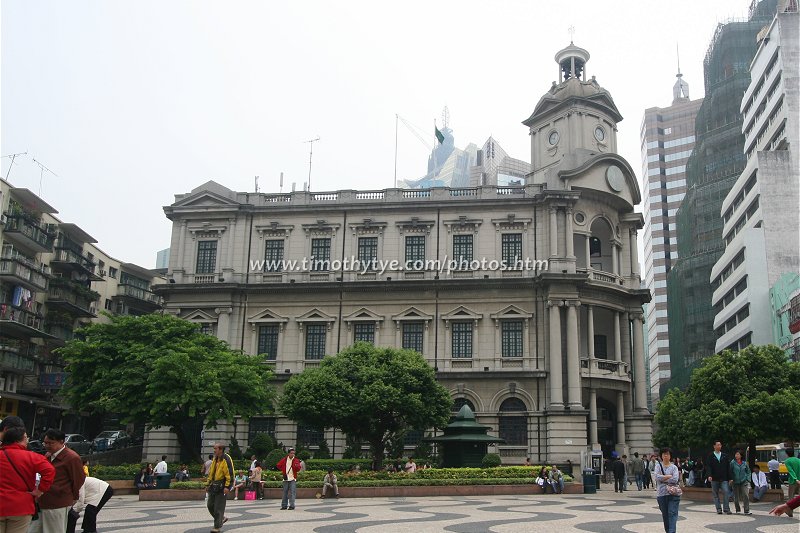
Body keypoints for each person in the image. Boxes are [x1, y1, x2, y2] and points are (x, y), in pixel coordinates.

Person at [0, 426, 55, 533]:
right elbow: (49, 471)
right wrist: (40, 490)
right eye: (26, 437)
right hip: (21, 506)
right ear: (20, 440)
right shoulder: (32, 457)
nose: (27, 440)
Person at [30, 429, 86, 533]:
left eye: (51, 443)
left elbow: (79, 479)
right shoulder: (48, 455)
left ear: (61, 442)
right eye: (45, 443)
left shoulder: (72, 458)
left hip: (58, 501)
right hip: (43, 500)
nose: (47, 445)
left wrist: (73, 496)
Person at [205, 442, 234, 533]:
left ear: (221, 449)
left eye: (215, 449)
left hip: (222, 485)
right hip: (213, 484)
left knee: (218, 507)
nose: (214, 450)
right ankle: (222, 518)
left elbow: (230, 473)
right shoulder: (215, 459)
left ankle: (217, 527)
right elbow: (211, 472)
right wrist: (208, 483)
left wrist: (227, 486)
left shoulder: (226, 458)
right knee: (210, 505)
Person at [654, 447, 681, 533]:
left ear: (670, 456)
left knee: (672, 513)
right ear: (661, 456)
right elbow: (656, 477)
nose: (666, 456)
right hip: (661, 494)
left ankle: (671, 532)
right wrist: (669, 476)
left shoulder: (674, 467)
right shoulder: (658, 466)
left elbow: (675, 479)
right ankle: (668, 531)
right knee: (665, 515)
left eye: (668, 454)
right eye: (664, 454)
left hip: (673, 494)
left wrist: (663, 478)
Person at [706, 440, 732, 515]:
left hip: (724, 478)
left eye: (720, 445)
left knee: (726, 492)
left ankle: (726, 509)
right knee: (715, 494)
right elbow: (708, 467)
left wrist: (730, 478)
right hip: (714, 478)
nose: (719, 446)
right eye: (717, 445)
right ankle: (718, 509)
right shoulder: (710, 456)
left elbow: (728, 467)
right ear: (714, 446)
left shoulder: (724, 456)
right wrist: (709, 475)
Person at [729, 450, 751, 515]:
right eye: (736, 454)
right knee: (736, 496)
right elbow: (730, 471)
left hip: (744, 481)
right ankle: (737, 509)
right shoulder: (732, 463)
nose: (736, 456)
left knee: (745, 495)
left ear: (741, 455)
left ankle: (746, 510)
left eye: (738, 454)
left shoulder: (744, 463)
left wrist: (747, 479)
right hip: (735, 481)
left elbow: (748, 471)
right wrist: (731, 479)